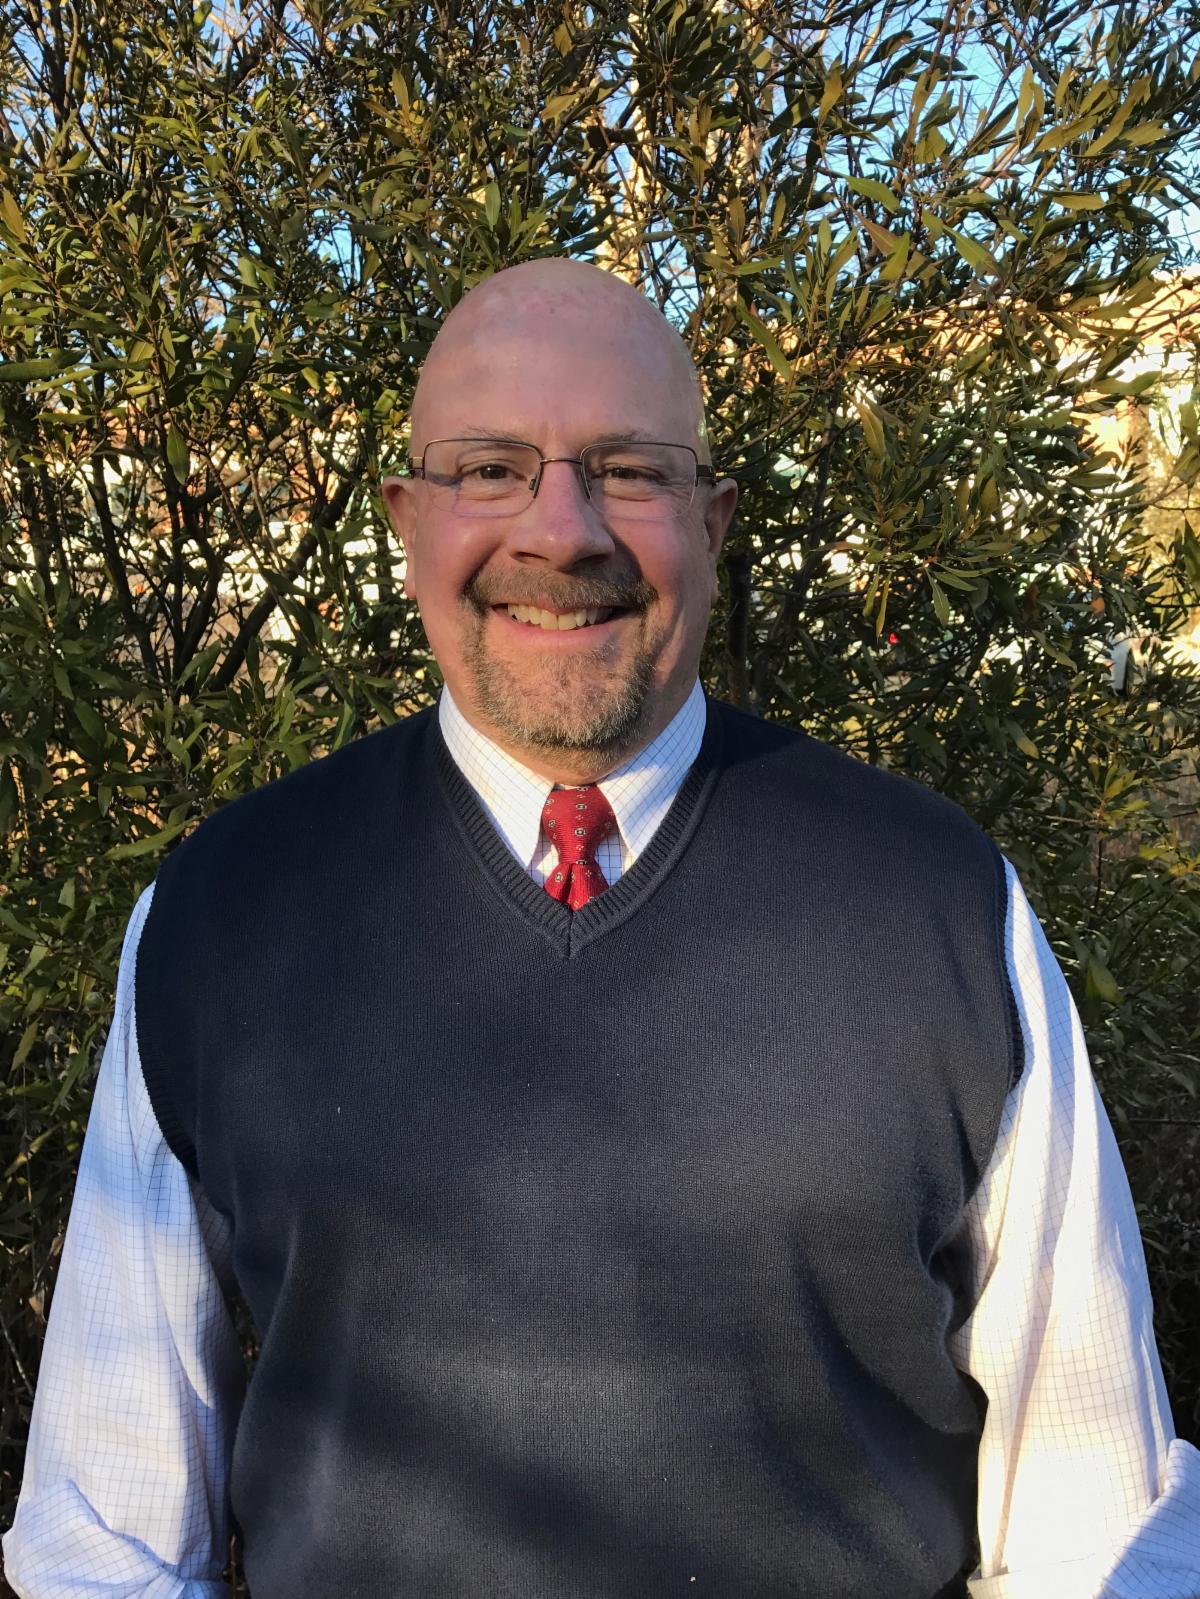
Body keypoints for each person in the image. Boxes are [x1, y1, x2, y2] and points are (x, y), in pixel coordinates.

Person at [4, 259, 1199, 1599]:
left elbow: (1092, 1527)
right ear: (407, 521)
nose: (561, 532)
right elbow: (103, 1539)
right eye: (490, 469)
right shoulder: (226, 918)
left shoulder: (939, 908)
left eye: (629, 470)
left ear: (714, 521)